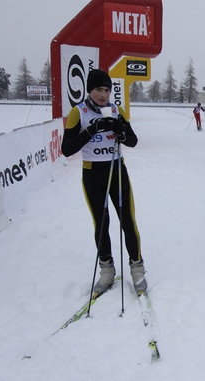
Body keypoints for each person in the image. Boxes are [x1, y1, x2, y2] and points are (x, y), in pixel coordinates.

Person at [61, 69, 147, 296]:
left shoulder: (117, 110)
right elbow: (67, 149)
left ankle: (137, 267)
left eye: (107, 89)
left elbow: (133, 141)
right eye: (99, 89)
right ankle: (107, 270)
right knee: (101, 224)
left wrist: (121, 131)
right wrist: (92, 129)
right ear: (90, 90)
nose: (103, 94)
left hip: (117, 170)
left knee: (128, 221)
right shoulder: (77, 113)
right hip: (92, 174)